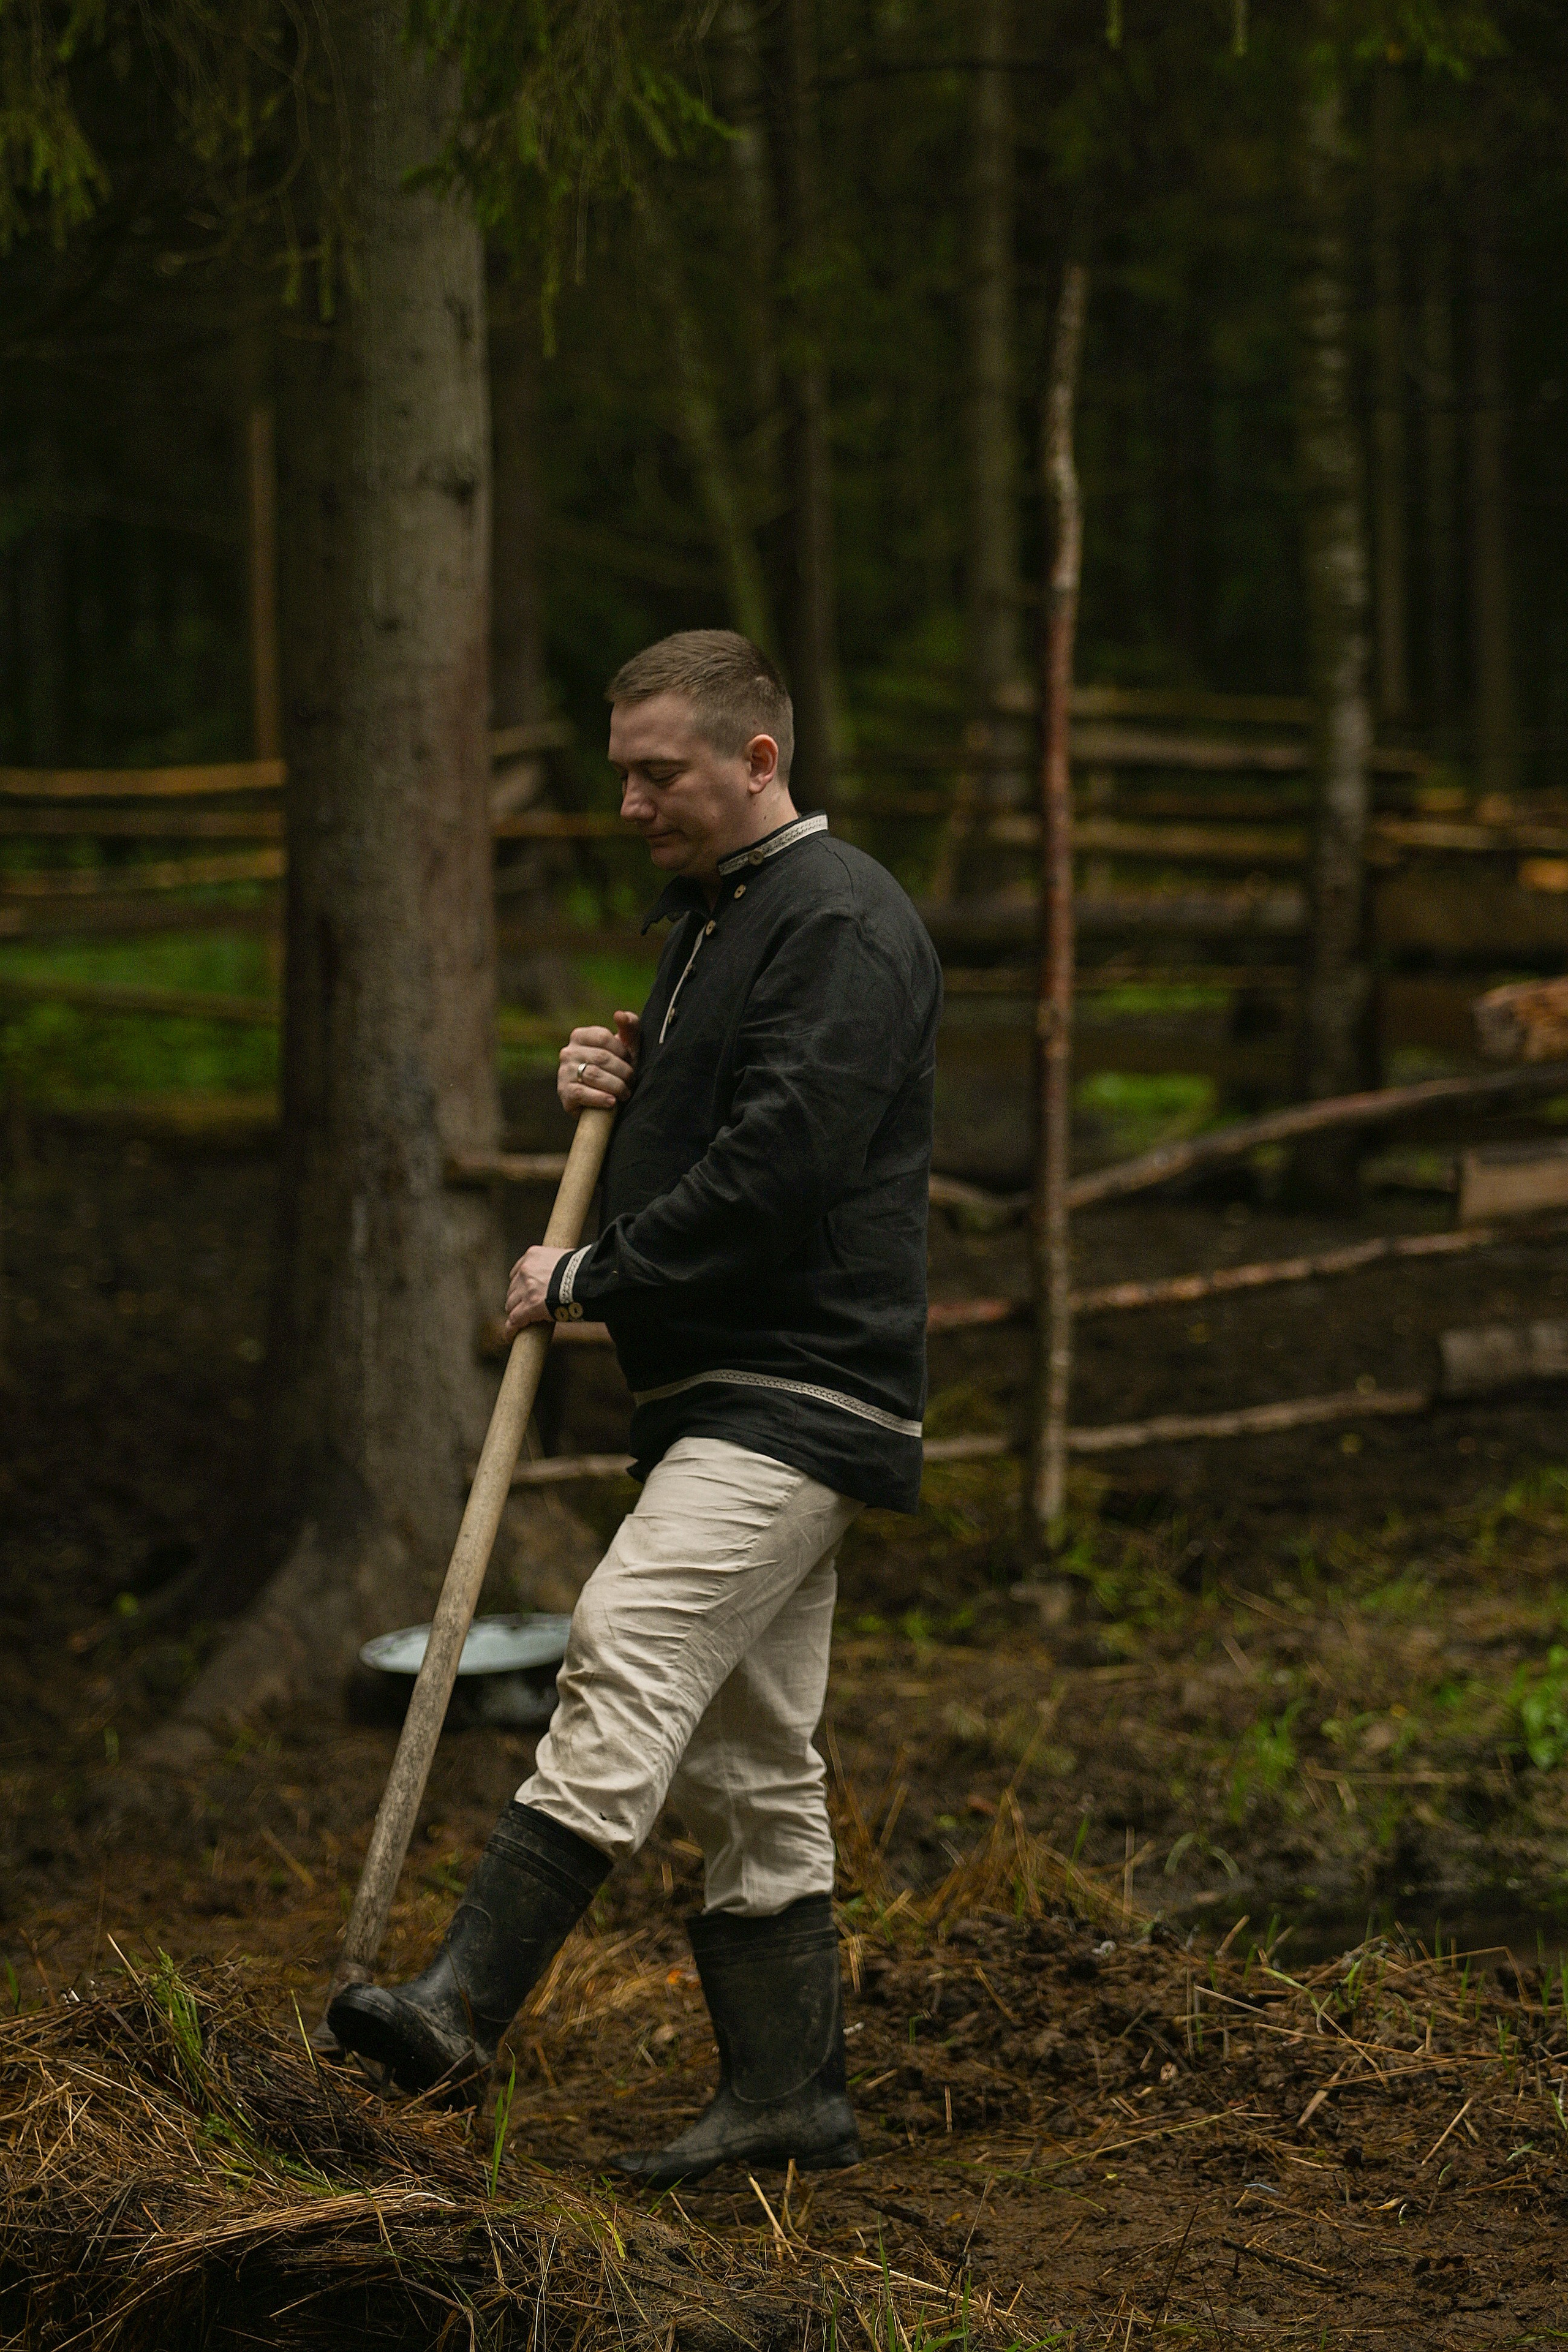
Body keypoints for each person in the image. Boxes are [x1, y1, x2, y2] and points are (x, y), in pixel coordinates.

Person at [330, 630, 941, 2185]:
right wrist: (621, 1076)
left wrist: (589, 1271)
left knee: (627, 1638)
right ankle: (790, 2094)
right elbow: (718, 1117)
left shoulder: (842, 918)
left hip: (798, 1391)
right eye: (618, 774)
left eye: (656, 772)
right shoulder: (713, 920)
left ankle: (462, 2007)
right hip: (720, 1392)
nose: (627, 805)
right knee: (750, 1755)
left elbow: (785, 1162)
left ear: (755, 761)